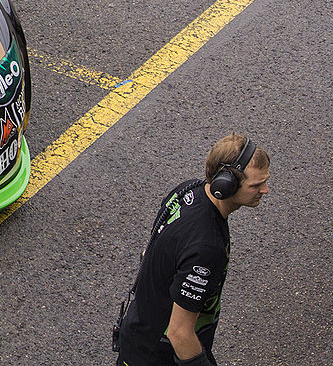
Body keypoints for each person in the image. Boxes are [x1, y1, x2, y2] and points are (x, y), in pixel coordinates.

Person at [115, 134, 270, 366]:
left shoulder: (187, 190)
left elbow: (151, 252)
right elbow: (180, 333)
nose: (265, 190)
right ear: (225, 186)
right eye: (256, 185)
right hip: (158, 356)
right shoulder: (207, 247)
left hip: (138, 336)